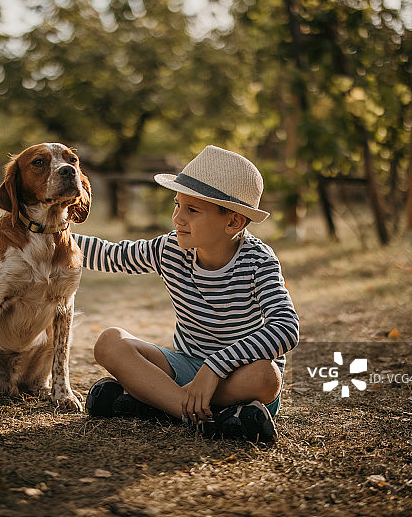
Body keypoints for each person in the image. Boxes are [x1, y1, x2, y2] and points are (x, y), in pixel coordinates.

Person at [78, 145, 299, 444]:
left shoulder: (258, 261)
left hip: (238, 380)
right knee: (110, 342)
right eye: (177, 205)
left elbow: (286, 328)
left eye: (192, 210)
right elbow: (112, 255)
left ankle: (153, 402)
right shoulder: (170, 248)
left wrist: (216, 366)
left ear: (233, 222)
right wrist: (50, 235)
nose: (178, 218)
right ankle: (201, 415)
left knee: (266, 376)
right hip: (184, 367)